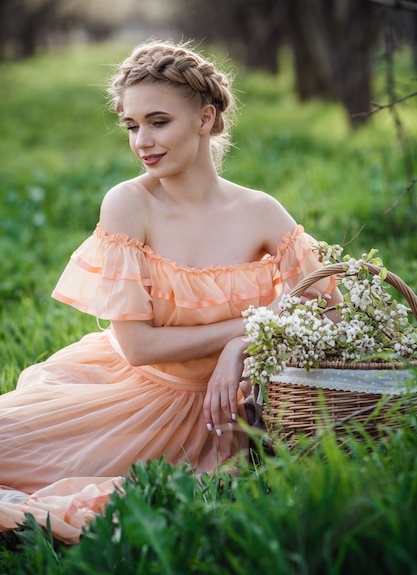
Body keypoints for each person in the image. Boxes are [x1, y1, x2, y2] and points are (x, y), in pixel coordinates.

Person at [0, 40, 340, 544]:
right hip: (135, 398)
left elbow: (331, 316)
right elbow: (139, 348)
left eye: (159, 122)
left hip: (224, 414)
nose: (142, 141)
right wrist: (250, 326)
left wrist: (243, 349)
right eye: (132, 125)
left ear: (205, 119)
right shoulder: (129, 205)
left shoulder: (261, 213)